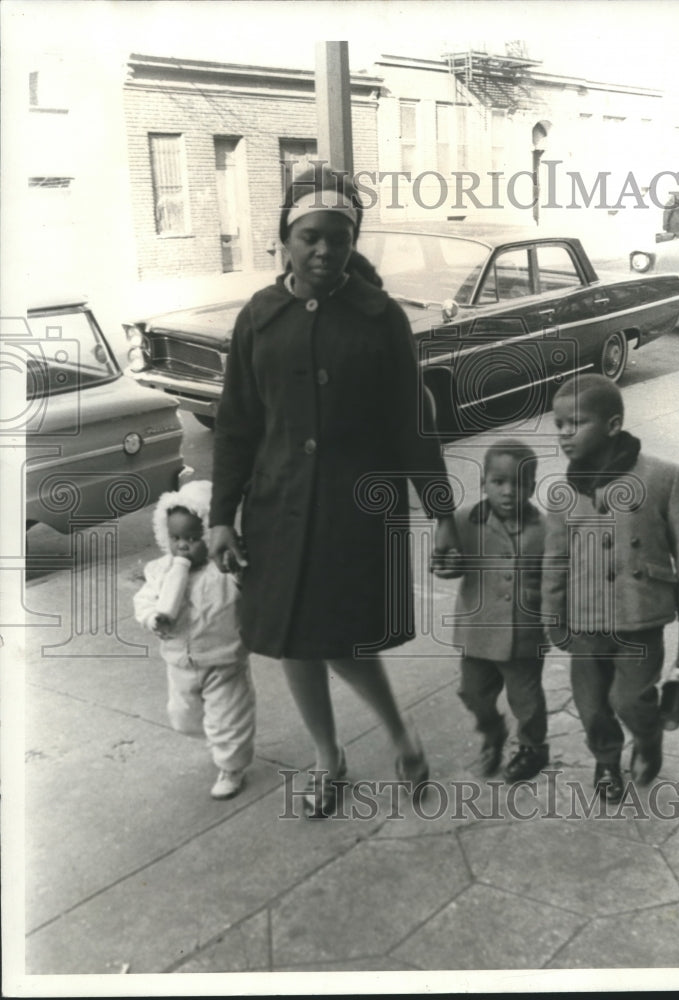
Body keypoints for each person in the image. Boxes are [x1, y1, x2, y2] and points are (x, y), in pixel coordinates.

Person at [208, 165, 460, 817]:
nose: (325, 250)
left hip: (353, 507)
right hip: (277, 505)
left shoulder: (380, 320)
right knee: (294, 636)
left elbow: (411, 423)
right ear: (285, 240)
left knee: (339, 636)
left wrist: (441, 514)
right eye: (311, 236)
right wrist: (221, 516)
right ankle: (328, 759)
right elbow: (236, 423)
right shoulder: (259, 318)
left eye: (340, 238)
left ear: (354, 243)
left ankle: (400, 736)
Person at [541, 375, 679, 802]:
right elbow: (554, 560)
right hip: (584, 618)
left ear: (612, 425)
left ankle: (648, 736)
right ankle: (606, 760)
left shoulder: (663, 477)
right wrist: (552, 616)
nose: (563, 434)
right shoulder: (563, 493)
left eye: (574, 423)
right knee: (592, 704)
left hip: (640, 613)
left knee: (630, 697)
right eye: (558, 424)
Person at [435, 440, 550, 782]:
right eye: (498, 482)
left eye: (518, 483)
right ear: (484, 483)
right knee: (472, 692)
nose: (507, 491)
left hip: (523, 634)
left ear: (531, 486)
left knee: (526, 701)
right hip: (478, 631)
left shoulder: (546, 530)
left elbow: (558, 578)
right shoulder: (463, 519)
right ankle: (492, 730)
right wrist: (446, 562)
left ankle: (533, 748)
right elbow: (443, 560)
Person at [133, 480, 256, 800]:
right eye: (175, 538)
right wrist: (153, 617)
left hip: (224, 658)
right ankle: (219, 735)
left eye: (192, 538)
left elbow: (252, 592)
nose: (183, 546)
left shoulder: (224, 571)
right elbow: (145, 601)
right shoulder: (160, 571)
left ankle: (232, 766)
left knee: (229, 716)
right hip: (179, 661)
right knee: (184, 719)